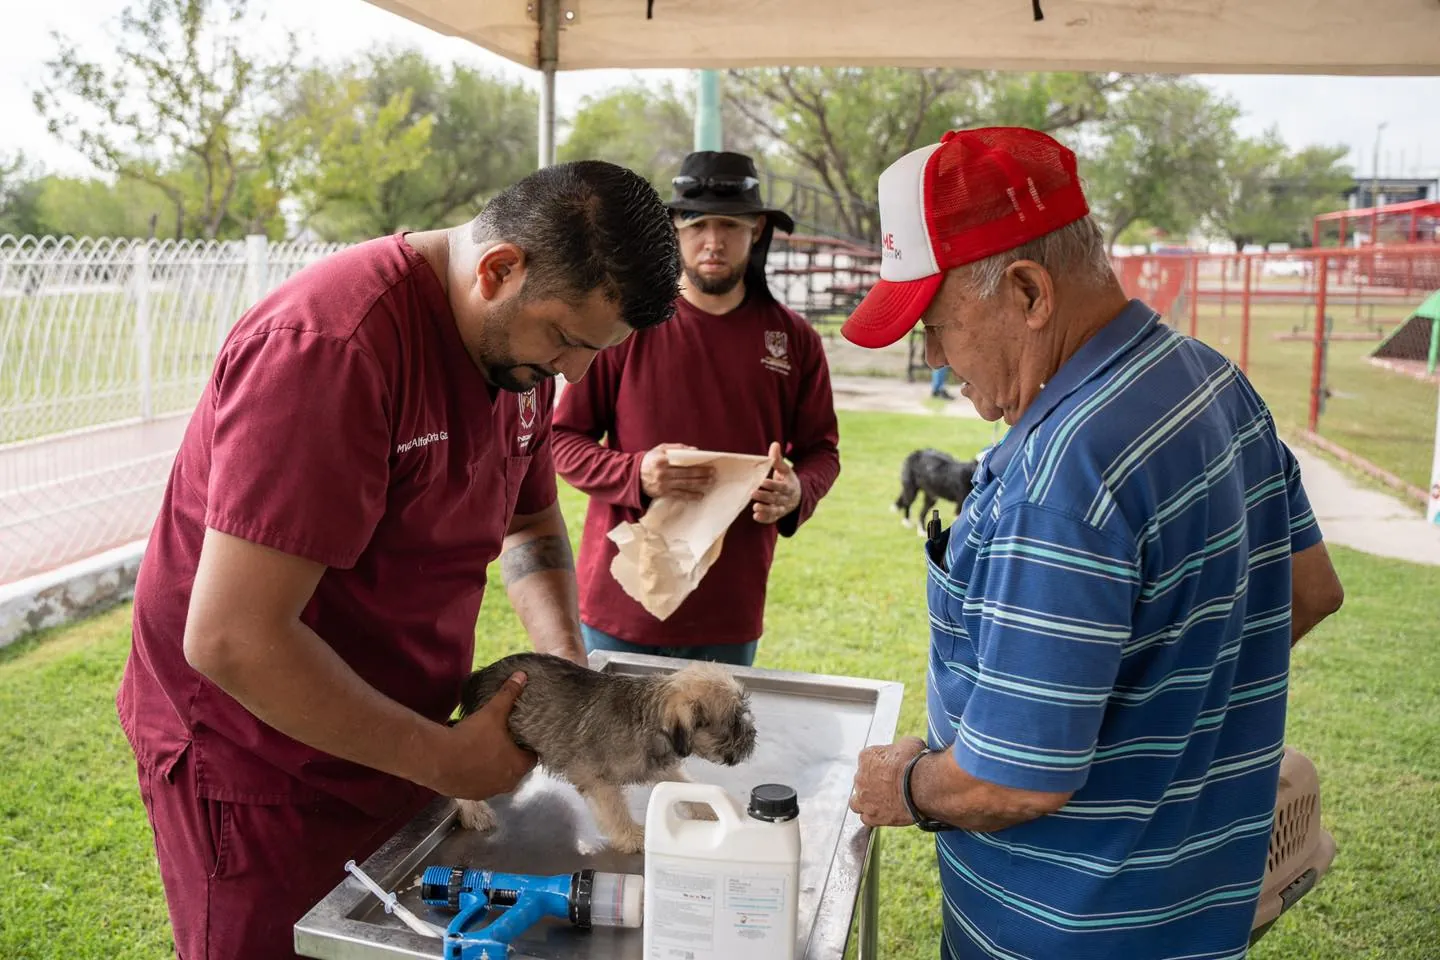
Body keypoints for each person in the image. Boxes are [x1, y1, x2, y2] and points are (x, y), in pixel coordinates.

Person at [116, 160, 682, 960]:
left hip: (398, 739)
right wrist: (444, 758)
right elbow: (232, 639)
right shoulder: (329, 348)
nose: (573, 372)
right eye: (564, 338)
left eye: (593, 350)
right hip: (258, 764)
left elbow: (531, 523)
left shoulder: (516, 354)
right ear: (498, 268)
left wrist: (568, 669)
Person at [843, 128, 1345, 959]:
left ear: (1028, 292)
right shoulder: (1211, 379)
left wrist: (905, 783)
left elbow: (1012, 775)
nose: (928, 355)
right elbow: (1310, 588)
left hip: (1067, 929)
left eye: (934, 322)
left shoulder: (1062, 474)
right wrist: (1158, 706)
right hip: (1196, 910)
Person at [551, 150, 841, 667]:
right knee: (613, 749)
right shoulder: (626, 327)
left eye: (730, 224)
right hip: (624, 601)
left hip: (729, 610)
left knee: (715, 748)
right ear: (673, 229)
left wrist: (798, 490)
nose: (713, 241)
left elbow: (822, 449)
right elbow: (562, 439)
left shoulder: (793, 339)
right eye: (697, 223)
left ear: (757, 231)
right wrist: (635, 471)